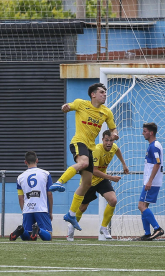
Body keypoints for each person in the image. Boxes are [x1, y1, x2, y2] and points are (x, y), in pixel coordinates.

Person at [49, 83, 118, 232]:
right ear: (93, 94)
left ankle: (71, 214)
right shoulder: (81, 104)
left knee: (86, 184)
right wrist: (64, 107)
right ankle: (60, 182)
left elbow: (112, 128)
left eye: (105, 93)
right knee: (84, 162)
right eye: (101, 92)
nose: (104, 95)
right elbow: (68, 106)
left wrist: (114, 133)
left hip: (91, 148)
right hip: (79, 142)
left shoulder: (106, 112)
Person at [67, 130, 129, 241]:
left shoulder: (113, 147)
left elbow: (117, 150)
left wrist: (124, 164)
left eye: (111, 140)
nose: (109, 143)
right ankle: (71, 226)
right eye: (106, 140)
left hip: (102, 180)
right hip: (89, 181)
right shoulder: (97, 151)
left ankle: (104, 227)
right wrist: (111, 178)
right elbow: (94, 171)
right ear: (102, 140)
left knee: (113, 200)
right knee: (82, 207)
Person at [9, 151, 53, 241]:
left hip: (28, 209)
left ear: (25, 162)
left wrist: (24, 211)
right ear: (37, 160)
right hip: (41, 208)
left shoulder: (20, 177)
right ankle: (38, 230)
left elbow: (20, 198)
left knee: (27, 236)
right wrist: (50, 212)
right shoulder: (46, 174)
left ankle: (21, 231)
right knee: (48, 235)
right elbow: (49, 194)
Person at [136, 122, 164, 241]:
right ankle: (147, 233)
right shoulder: (153, 145)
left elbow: (157, 163)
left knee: (141, 206)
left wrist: (150, 181)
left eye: (145, 131)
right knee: (144, 205)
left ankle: (157, 228)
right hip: (149, 181)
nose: (143, 133)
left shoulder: (154, 146)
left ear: (151, 133)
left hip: (151, 182)